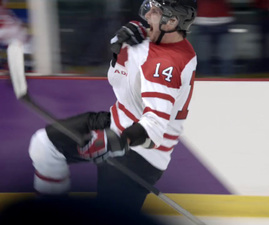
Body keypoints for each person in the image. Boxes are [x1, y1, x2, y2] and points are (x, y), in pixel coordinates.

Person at [28, 0, 197, 215]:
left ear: (172, 21)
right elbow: (119, 81)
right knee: (45, 145)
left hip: (142, 152)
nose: (148, 16)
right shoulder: (152, 39)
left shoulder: (165, 65)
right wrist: (120, 51)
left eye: (156, 12)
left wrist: (117, 140)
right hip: (117, 123)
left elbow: (154, 126)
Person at [190, 0, 235, 77]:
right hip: (203, 22)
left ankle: (228, 84)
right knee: (204, 61)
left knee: (226, 61)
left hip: (222, 21)